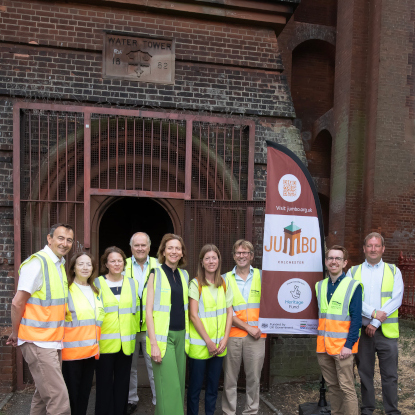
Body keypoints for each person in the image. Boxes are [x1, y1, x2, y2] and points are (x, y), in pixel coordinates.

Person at [7, 223, 74, 415]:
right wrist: (15, 332)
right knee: (59, 401)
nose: (65, 243)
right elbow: (17, 302)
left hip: (51, 341)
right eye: (60, 238)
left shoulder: (58, 264)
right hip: (39, 342)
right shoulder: (38, 263)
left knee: (43, 396)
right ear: (49, 238)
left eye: (69, 240)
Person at [347, 232, 404, 415]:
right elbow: (352, 299)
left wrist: (376, 322)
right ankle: (367, 409)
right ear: (364, 249)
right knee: (365, 373)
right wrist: (373, 315)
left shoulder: (394, 271)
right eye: (369, 246)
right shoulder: (353, 272)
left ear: (383, 249)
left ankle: (392, 411)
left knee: (390, 375)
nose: (373, 249)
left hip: (386, 332)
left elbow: (396, 300)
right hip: (363, 331)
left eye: (377, 246)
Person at [146, 234, 190, 415]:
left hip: (181, 337)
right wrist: (154, 344)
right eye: (170, 248)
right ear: (163, 252)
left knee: (177, 387)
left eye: (177, 248)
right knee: (169, 387)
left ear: (182, 253)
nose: (174, 251)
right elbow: (148, 311)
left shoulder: (185, 275)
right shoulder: (155, 273)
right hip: (163, 340)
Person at [187, 244, 233, 415]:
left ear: (219, 260)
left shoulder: (224, 283)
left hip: (219, 346)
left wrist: (225, 339)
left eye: (214, 257)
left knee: (213, 389)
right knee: (195, 390)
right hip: (200, 347)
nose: (211, 261)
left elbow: (229, 313)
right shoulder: (196, 283)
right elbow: (193, 315)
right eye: (207, 258)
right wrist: (208, 341)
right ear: (202, 262)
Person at [316, 245, 362, 415]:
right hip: (323, 347)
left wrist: (349, 345)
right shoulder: (319, 286)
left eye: (338, 259)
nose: (333, 261)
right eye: (330, 258)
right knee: (333, 387)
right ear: (326, 262)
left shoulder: (353, 286)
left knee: (347, 388)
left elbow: (356, 319)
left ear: (345, 263)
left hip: (343, 348)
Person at [222, 239, 266, 415]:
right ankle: (228, 411)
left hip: (257, 337)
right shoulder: (224, 279)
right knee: (229, 379)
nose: (242, 256)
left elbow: (271, 305)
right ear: (234, 256)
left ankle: (251, 411)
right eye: (238, 253)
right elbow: (227, 312)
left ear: (252, 256)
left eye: (245, 252)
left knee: (254, 379)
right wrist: (249, 328)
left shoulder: (263, 276)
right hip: (232, 335)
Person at [94, 247, 139, 415]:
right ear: (106, 263)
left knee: (122, 384)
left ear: (124, 263)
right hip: (104, 342)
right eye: (112, 261)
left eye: (119, 260)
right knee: (104, 383)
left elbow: (136, 311)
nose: (116, 264)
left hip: (126, 343)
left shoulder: (132, 283)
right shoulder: (97, 283)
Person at [62, 252, 105, 415]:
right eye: (81, 264)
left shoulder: (96, 290)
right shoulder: (67, 290)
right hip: (71, 353)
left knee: (85, 394)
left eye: (88, 264)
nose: (85, 267)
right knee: (71, 396)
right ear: (73, 267)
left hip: (90, 351)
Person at [126, 232, 158, 414]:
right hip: (129, 326)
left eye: (143, 245)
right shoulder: (122, 264)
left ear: (149, 246)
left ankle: (157, 400)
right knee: (130, 368)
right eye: (136, 245)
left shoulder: (157, 265)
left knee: (154, 366)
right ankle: (131, 399)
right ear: (131, 247)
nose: (140, 248)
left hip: (151, 327)